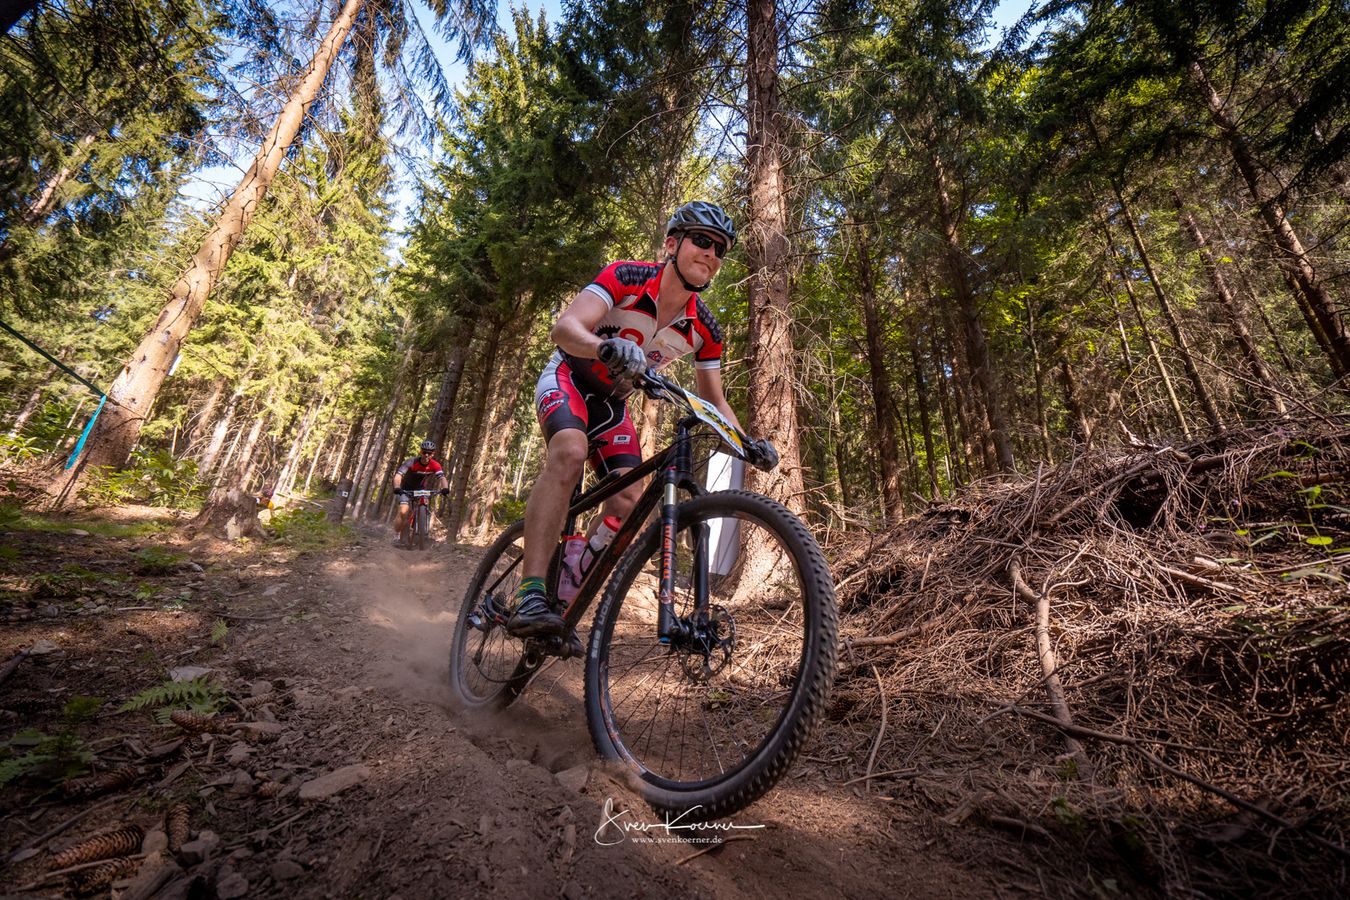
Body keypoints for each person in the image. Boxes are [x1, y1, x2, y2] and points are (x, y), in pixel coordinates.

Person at [509, 201, 776, 653]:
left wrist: (745, 443)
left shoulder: (705, 328)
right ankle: (530, 592)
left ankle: (569, 587)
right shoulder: (628, 277)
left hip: (613, 404)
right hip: (569, 377)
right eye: (702, 241)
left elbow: (715, 399)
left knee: (630, 500)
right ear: (672, 244)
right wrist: (603, 346)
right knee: (570, 452)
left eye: (720, 250)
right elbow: (565, 327)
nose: (711, 254)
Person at [392, 440, 448, 546]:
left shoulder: (435, 465)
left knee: (425, 503)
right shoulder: (411, 462)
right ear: (420, 452)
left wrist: (445, 488)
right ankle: (397, 534)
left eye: (429, 453)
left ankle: (421, 531)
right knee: (403, 511)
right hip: (406, 488)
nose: (426, 455)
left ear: (433, 454)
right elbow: (398, 475)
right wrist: (397, 487)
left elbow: (442, 478)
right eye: (424, 452)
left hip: (420, 488)